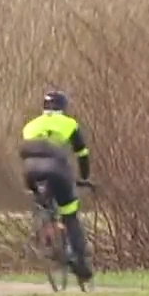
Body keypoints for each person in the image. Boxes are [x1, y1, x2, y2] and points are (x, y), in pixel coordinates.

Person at [19, 89, 94, 285]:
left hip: (31, 172)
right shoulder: (69, 124)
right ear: (63, 106)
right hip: (57, 171)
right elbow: (82, 152)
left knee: (43, 203)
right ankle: (79, 262)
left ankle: (48, 239)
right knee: (70, 214)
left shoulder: (30, 126)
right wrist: (84, 176)